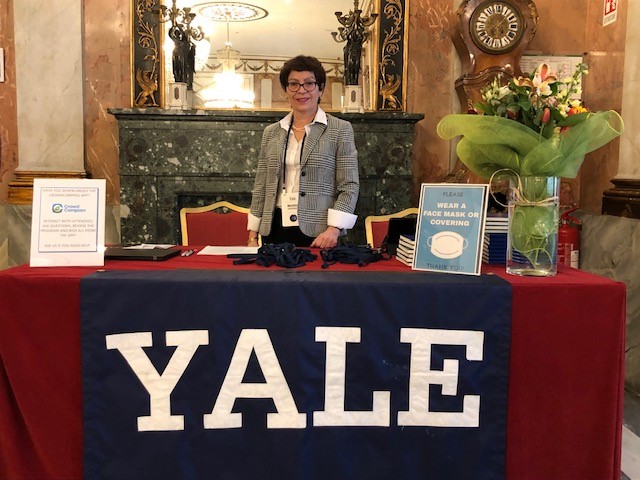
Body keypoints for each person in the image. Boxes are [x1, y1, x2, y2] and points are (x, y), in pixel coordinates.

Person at [247, 55, 359, 249]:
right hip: (273, 228)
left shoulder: (340, 129)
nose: (301, 91)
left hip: (319, 233)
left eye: (309, 83)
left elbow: (349, 185)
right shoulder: (271, 133)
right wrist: (252, 235)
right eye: (294, 84)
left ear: (320, 88)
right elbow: (261, 186)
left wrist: (334, 229)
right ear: (285, 90)